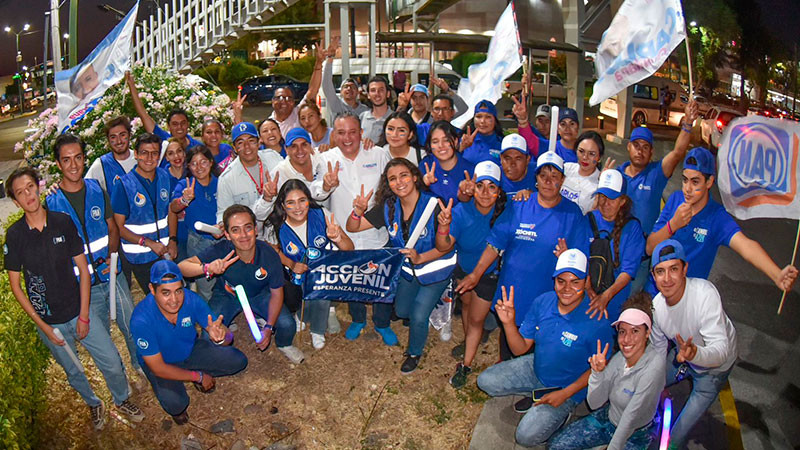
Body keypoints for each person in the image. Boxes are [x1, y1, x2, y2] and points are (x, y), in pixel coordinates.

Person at [5, 167, 144, 431]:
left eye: (30, 187)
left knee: (112, 362)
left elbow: (82, 269)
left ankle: (121, 398)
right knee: (74, 371)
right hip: (49, 322)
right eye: (20, 193)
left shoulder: (62, 222)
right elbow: (16, 287)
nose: (28, 195)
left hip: (79, 311)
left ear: (39, 187)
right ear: (15, 201)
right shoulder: (15, 236)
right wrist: (44, 326)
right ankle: (93, 402)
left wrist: (83, 315)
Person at [476, 250, 614, 447]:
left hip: (565, 388)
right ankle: (535, 393)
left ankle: (563, 413)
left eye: (575, 282)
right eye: (561, 281)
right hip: (536, 367)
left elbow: (598, 369)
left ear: (586, 282)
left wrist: (564, 395)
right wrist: (508, 323)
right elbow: (519, 349)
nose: (567, 288)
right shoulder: (543, 302)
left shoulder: (598, 321)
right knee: (485, 381)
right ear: (554, 279)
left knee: (525, 437)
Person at [46, 134, 143, 379]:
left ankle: (139, 365)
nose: (74, 165)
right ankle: (120, 377)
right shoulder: (52, 201)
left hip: (110, 274)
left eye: (78, 158)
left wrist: (112, 256)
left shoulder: (95, 189)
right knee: (103, 339)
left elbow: (112, 227)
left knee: (130, 324)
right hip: (81, 286)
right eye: (66, 160)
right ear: (58, 164)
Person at [346, 158, 456, 373]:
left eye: (404, 175)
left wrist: (422, 257)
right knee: (402, 310)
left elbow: (446, 248)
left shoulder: (434, 205)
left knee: (417, 315)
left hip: (436, 270)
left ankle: (414, 353)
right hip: (408, 271)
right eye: (393, 179)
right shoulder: (388, 207)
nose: (400, 182)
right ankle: (433, 306)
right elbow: (353, 227)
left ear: (415, 177)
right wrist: (357, 211)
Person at [645, 147, 798, 295]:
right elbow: (650, 247)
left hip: (687, 302)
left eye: (695, 182)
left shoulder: (717, 217)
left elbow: (746, 246)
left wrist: (776, 274)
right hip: (655, 293)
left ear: (709, 182)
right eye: (685, 180)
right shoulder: (675, 200)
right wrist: (673, 225)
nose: (687, 188)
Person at [179, 205, 305, 364]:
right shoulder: (221, 250)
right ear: (227, 234)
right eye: (235, 230)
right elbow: (182, 267)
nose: (243, 235)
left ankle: (284, 344)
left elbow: (276, 293)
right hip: (227, 295)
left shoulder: (268, 254)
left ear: (256, 230)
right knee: (208, 336)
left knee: (287, 324)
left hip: (259, 294)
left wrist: (269, 328)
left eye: (248, 228)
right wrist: (207, 268)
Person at [130, 260, 251, 425]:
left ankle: (188, 371)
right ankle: (180, 381)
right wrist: (198, 377)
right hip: (162, 363)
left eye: (178, 291)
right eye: (166, 293)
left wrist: (223, 337)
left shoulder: (191, 299)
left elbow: (226, 336)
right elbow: (158, 368)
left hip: (189, 349)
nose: (174, 300)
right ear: (152, 289)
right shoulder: (141, 319)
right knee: (176, 405)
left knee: (238, 361)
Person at [311, 112, 393, 342]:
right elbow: (315, 192)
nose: (347, 138)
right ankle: (358, 319)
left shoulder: (377, 154)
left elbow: (389, 187)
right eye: (341, 132)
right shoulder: (325, 158)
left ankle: (382, 323)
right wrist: (326, 186)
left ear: (361, 133)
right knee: (353, 280)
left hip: (376, 232)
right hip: (344, 235)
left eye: (352, 132)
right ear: (333, 134)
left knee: (381, 279)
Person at [648, 240, 738, 448]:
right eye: (660, 271)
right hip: (682, 356)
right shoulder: (657, 307)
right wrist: (657, 384)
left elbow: (721, 352)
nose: (667, 278)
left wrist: (694, 355)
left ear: (685, 269)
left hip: (714, 370)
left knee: (675, 439)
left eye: (674, 269)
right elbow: (658, 350)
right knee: (650, 383)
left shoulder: (705, 294)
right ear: (653, 276)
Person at [549, 293, 665, 450]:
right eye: (622, 331)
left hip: (636, 434)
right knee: (556, 447)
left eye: (635, 331)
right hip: (608, 419)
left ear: (647, 333)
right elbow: (594, 403)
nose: (627, 339)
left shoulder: (655, 366)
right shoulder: (619, 359)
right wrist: (597, 374)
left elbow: (630, 418)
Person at [436, 161, 507, 388]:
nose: (485, 193)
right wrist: (443, 227)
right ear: (472, 189)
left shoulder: (506, 214)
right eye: (480, 186)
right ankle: (469, 343)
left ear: (499, 191)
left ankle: (466, 364)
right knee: (466, 308)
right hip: (463, 270)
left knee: (476, 319)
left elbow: (495, 248)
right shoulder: (460, 211)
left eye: (492, 187)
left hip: (488, 274)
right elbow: (444, 245)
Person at [618, 100, 699, 293]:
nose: (640, 150)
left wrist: (687, 122)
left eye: (646, 147)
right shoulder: (616, 175)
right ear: (628, 147)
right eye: (636, 145)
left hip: (642, 256)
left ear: (651, 152)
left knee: (631, 304)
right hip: (616, 251)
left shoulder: (656, 174)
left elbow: (679, 152)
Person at [266, 180, 355, 349]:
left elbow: (350, 248)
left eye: (302, 200)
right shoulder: (276, 224)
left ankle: (318, 330)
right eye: (290, 203)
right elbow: (272, 251)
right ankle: (303, 314)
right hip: (295, 276)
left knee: (320, 291)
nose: (298, 207)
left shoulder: (322, 214)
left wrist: (337, 239)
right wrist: (292, 264)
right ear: (283, 206)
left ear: (309, 200)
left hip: (325, 273)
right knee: (301, 297)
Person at [111, 133, 174, 292]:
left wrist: (173, 240)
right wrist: (147, 243)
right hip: (140, 256)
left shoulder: (164, 176)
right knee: (156, 297)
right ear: (136, 154)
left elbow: (171, 211)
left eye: (154, 153)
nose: (149, 158)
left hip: (166, 250)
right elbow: (118, 228)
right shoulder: (124, 185)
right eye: (144, 153)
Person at [587, 169, 645, 321]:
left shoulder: (632, 228)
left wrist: (605, 297)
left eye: (612, 199)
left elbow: (627, 271)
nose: (605, 203)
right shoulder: (587, 219)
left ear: (622, 201)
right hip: (585, 300)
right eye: (602, 196)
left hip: (613, 305)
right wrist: (588, 289)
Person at [171, 145, 221, 299]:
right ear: (188, 166)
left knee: (224, 284)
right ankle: (210, 320)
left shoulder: (221, 182)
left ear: (211, 162)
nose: (199, 167)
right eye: (194, 163)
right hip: (198, 241)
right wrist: (185, 199)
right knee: (206, 288)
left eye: (203, 162)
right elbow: (173, 207)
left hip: (221, 238)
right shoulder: (185, 185)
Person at [216, 122, 283, 228]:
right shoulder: (226, 178)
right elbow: (223, 212)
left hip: (280, 226)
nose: (247, 147)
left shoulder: (273, 157)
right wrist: (221, 224)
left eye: (251, 141)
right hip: (251, 235)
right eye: (240, 143)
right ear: (234, 148)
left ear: (259, 142)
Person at [126, 72, 202, 157]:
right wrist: (131, 85)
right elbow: (143, 114)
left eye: (182, 123)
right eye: (175, 124)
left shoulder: (198, 147)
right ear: (168, 126)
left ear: (188, 124)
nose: (179, 127)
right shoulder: (163, 140)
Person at [264, 47, 323, 136]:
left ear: (293, 102)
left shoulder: (299, 114)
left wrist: (318, 63)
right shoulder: (269, 126)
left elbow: (313, 89)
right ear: (272, 101)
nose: (283, 101)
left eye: (288, 98)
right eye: (279, 98)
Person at [420, 121, 474, 203]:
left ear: (456, 141)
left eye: (446, 140)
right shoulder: (426, 165)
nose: (441, 145)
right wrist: (423, 184)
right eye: (435, 142)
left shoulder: (470, 170)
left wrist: (465, 195)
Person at [320, 38, 370, 123]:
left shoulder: (366, 111)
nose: (349, 89)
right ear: (341, 92)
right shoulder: (336, 104)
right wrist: (330, 58)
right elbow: (326, 84)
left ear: (358, 92)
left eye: (352, 87)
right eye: (345, 87)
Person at [85, 116, 137, 193]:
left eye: (122, 135)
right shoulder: (101, 164)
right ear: (108, 140)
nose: (119, 141)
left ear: (130, 135)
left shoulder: (140, 160)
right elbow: (86, 191)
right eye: (113, 137)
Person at [560, 131, 606, 214]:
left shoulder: (600, 184)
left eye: (591, 154)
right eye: (581, 151)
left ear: (599, 157)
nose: (585, 157)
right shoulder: (566, 168)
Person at [460, 100, 504, 165]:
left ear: (495, 120)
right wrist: (460, 149)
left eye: (488, 117)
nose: (482, 121)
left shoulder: (503, 144)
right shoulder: (463, 140)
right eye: (479, 116)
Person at [496, 133, 537, 197]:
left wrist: (536, 197)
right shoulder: (494, 176)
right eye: (507, 158)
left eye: (518, 159)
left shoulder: (539, 173)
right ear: (501, 158)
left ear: (527, 159)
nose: (512, 164)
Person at [360, 76, 393, 144]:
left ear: (388, 94)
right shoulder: (362, 117)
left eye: (381, 90)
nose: (377, 94)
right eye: (373, 90)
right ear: (368, 95)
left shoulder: (394, 118)